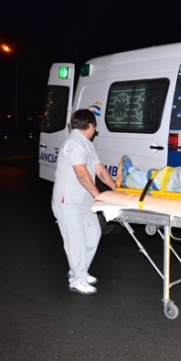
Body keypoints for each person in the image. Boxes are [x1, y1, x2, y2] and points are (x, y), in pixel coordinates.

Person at [51, 109, 116, 295]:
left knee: (94, 234)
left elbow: (100, 170)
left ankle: (79, 270)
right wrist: (98, 195)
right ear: (90, 125)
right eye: (95, 126)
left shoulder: (86, 144)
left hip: (84, 200)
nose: (95, 130)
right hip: (68, 201)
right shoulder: (73, 143)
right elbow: (82, 173)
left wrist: (116, 189)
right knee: (76, 241)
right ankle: (77, 280)